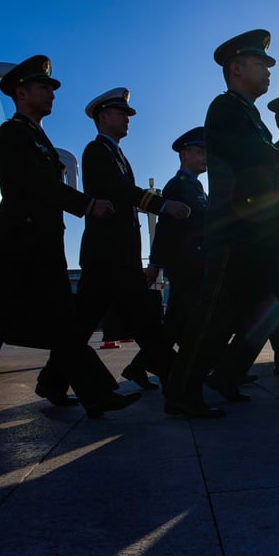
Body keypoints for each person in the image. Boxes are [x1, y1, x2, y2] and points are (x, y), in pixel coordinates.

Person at [0, 56, 139, 425]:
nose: (51, 93)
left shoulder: (37, 138)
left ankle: (95, 394)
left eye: (51, 88)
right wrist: (85, 203)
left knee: (45, 322)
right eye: (43, 87)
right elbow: (33, 186)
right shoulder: (12, 134)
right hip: (22, 244)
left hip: (38, 244)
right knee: (3, 323)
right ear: (21, 92)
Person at [162, 30, 279, 417]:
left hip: (254, 237)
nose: (268, 71)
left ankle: (234, 377)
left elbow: (268, 177)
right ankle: (181, 391)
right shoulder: (225, 107)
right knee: (214, 317)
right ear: (236, 68)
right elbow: (256, 157)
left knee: (271, 312)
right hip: (234, 235)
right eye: (261, 64)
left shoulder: (249, 115)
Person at [67, 88, 191, 391]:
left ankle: (54, 380)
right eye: (121, 114)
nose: (127, 119)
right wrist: (161, 204)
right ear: (103, 116)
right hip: (107, 254)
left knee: (111, 322)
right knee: (140, 321)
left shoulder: (116, 154)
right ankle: (178, 380)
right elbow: (119, 190)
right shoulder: (96, 151)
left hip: (118, 255)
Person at [144, 127, 210, 351]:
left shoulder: (196, 186)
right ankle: (205, 366)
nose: (206, 158)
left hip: (195, 261)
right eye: (200, 153)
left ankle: (143, 364)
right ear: (184, 155)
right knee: (196, 318)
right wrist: (155, 262)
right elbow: (165, 227)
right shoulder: (177, 185)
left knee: (175, 320)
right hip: (184, 263)